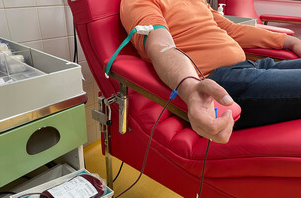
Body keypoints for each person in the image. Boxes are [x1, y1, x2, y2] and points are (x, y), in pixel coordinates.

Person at [120, 0, 301, 143]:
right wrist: (189, 86)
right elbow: (160, 45)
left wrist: (288, 41)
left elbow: (232, 29)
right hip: (221, 81)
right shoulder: (140, 2)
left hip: (252, 67)